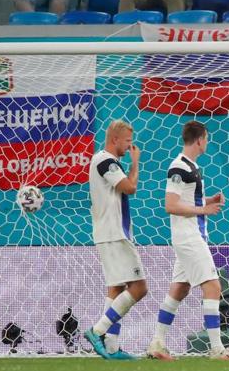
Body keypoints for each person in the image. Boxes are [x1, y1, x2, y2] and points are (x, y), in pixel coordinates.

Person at [146, 121, 229, 361]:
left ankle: (156, 344)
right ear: (199, 140)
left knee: (179, 289)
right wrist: (204, 211)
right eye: (206, 139)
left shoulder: (192, 167)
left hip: (190, 235)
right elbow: (170, 205)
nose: (207, 143)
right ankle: (217, 349)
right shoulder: (178, 167)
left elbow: (187, 200)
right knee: (213, 287)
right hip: (189, 237)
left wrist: (208, 201)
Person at [85, 120, 147, 360]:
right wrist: (135, 163)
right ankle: (96, 331)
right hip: (113, 233)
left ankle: (111, 348)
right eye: (128, 142)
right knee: (140, 288)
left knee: (117, 289)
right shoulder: (105, 161)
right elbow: (130, 187)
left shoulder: (109, 162)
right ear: (114, 140)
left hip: (111, 232)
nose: (130, 146)